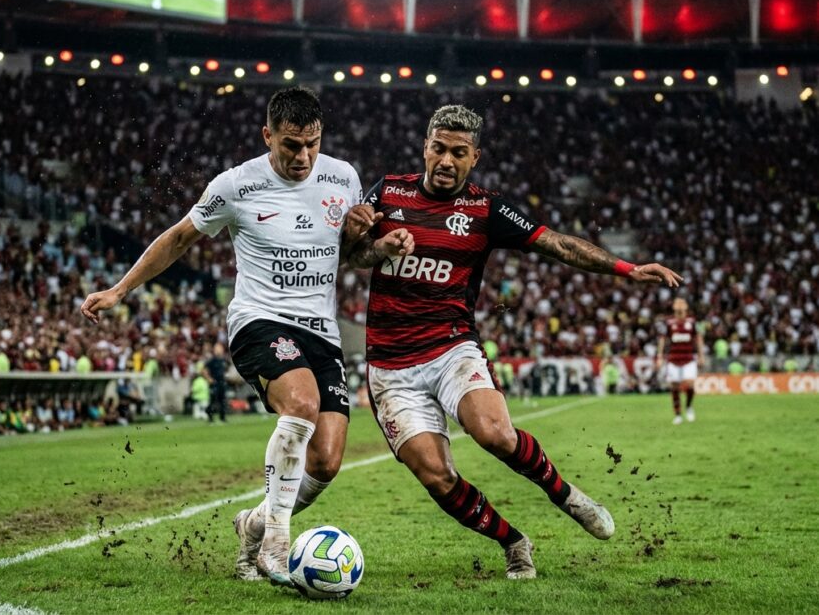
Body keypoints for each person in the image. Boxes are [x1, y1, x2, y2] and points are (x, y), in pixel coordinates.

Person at [80, 87, 405, 585]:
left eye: (313, 144)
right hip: (259, 320)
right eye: (291, 144)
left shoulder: (344, 177)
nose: (303, 156)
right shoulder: (236, 185)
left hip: (321, 331)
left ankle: (252, 525)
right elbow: (179, 237)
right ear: (267, 135)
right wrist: (120, 289)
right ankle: (275, 545)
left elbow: (349, 257)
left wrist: (371, 242)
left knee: (326, 461)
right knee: (300, 404)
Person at [345, 104, 682, 579]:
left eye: (458, 153)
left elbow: (557, 243)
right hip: (390, 365)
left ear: (475, 157)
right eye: (438, 149)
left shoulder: (486, 209)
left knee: (495, 434)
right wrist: (376, 244)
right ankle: (513, 542)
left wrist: (627, 269)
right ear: (425, 147)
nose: (446, 161)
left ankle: (569, 497)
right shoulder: (387, 192)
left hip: (450, 347)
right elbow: (351, 255)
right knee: (436, 475)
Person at [656, 298, 704, 425]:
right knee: (674, 386)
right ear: (674, 308)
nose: (680, 307)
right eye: (677, 305)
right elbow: (662, 339)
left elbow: (698, 338)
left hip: (688, 358)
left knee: (690, 384)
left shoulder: (692, 322)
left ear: (686, 308)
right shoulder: (669, 323)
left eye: (682, 305)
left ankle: (688, 407)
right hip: (673, 359)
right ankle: (677, 414)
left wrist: (701, 355)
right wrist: (659, 356)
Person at [205, 342, 229, 423]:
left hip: (222, 383)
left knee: (222, 401)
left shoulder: (223, 360)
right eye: (217, 348)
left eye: (220, 348)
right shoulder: (212, 360)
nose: (219, 350)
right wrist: (209, 379)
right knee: (213, 400)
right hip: (215, 383)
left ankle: (222, 418)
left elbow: (225, 370)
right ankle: (210, 417)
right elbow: (204, 370)